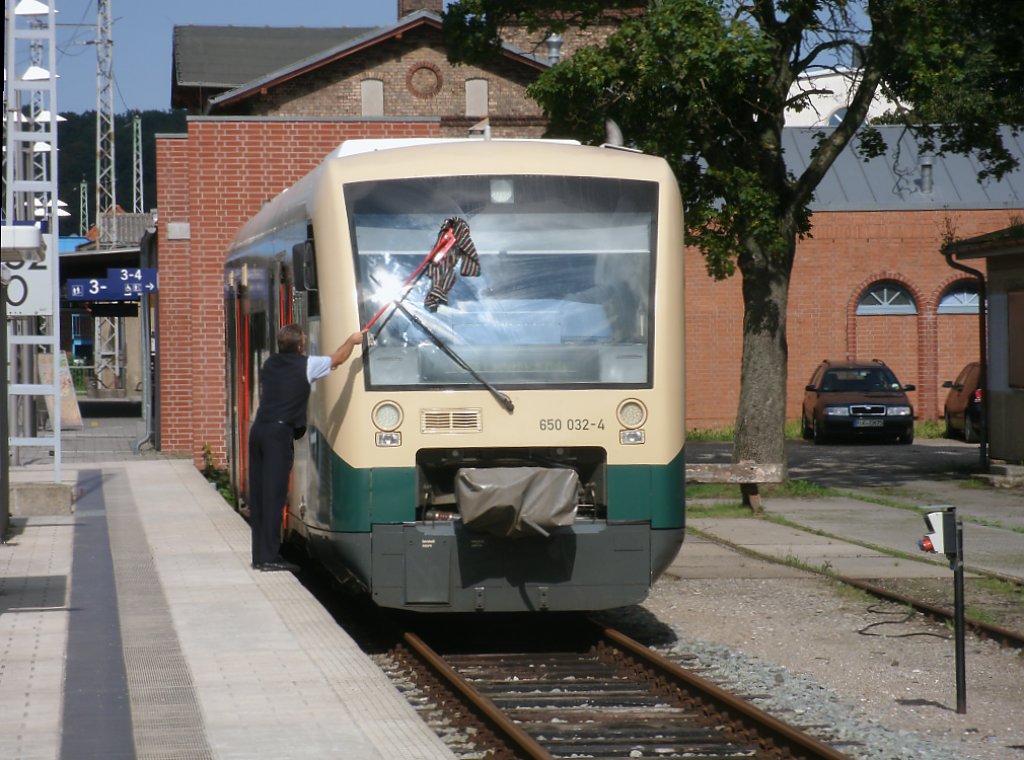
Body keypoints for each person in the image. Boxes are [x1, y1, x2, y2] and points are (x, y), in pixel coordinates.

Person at [248, 324, 362, 571]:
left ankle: (259, 555)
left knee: (259, 495)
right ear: (300, 346)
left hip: (258, 431)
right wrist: (353, 340)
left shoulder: (269, 364)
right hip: (278, 434)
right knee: (274, 495)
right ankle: (269, 558)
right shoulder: (306, 365)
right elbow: (338, 358)